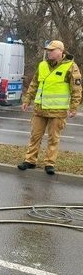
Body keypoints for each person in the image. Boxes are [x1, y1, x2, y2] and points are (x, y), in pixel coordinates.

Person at [18, 40, 81, 175]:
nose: (49, 52)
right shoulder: (42, 65)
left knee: (53, 138)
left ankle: (49, 163)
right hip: (39, 109)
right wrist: (27, 99)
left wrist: (74, 107)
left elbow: (76, 89)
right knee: (35, 136)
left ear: (60, 52)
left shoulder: (71, 66)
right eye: (48, 50)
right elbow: (34, 84)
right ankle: (30, 161)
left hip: (57, 111)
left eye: (52, 50)